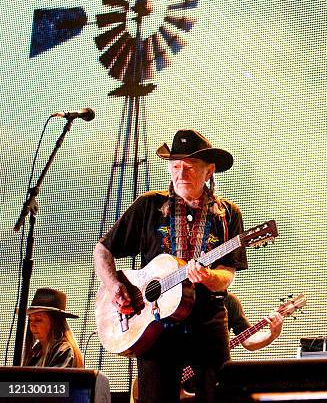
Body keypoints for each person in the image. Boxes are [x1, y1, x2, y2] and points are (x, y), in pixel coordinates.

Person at [94, 129, 247, 403]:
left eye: (189, 168)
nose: (180, 174)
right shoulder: (148, 206)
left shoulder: (228, 215)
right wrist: (114, 286)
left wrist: (208, 276)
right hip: (154, 325)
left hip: (207, 320)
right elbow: (103, 250)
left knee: (221, 396)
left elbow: (227, 275)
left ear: (209, 171)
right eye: (175, 167)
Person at [22, 287, 84, 368]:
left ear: (55, 322)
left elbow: (54, 380)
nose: (32, 325)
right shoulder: (36, 351)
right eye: (30, 320)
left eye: (38, 320)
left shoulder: (63, 350)